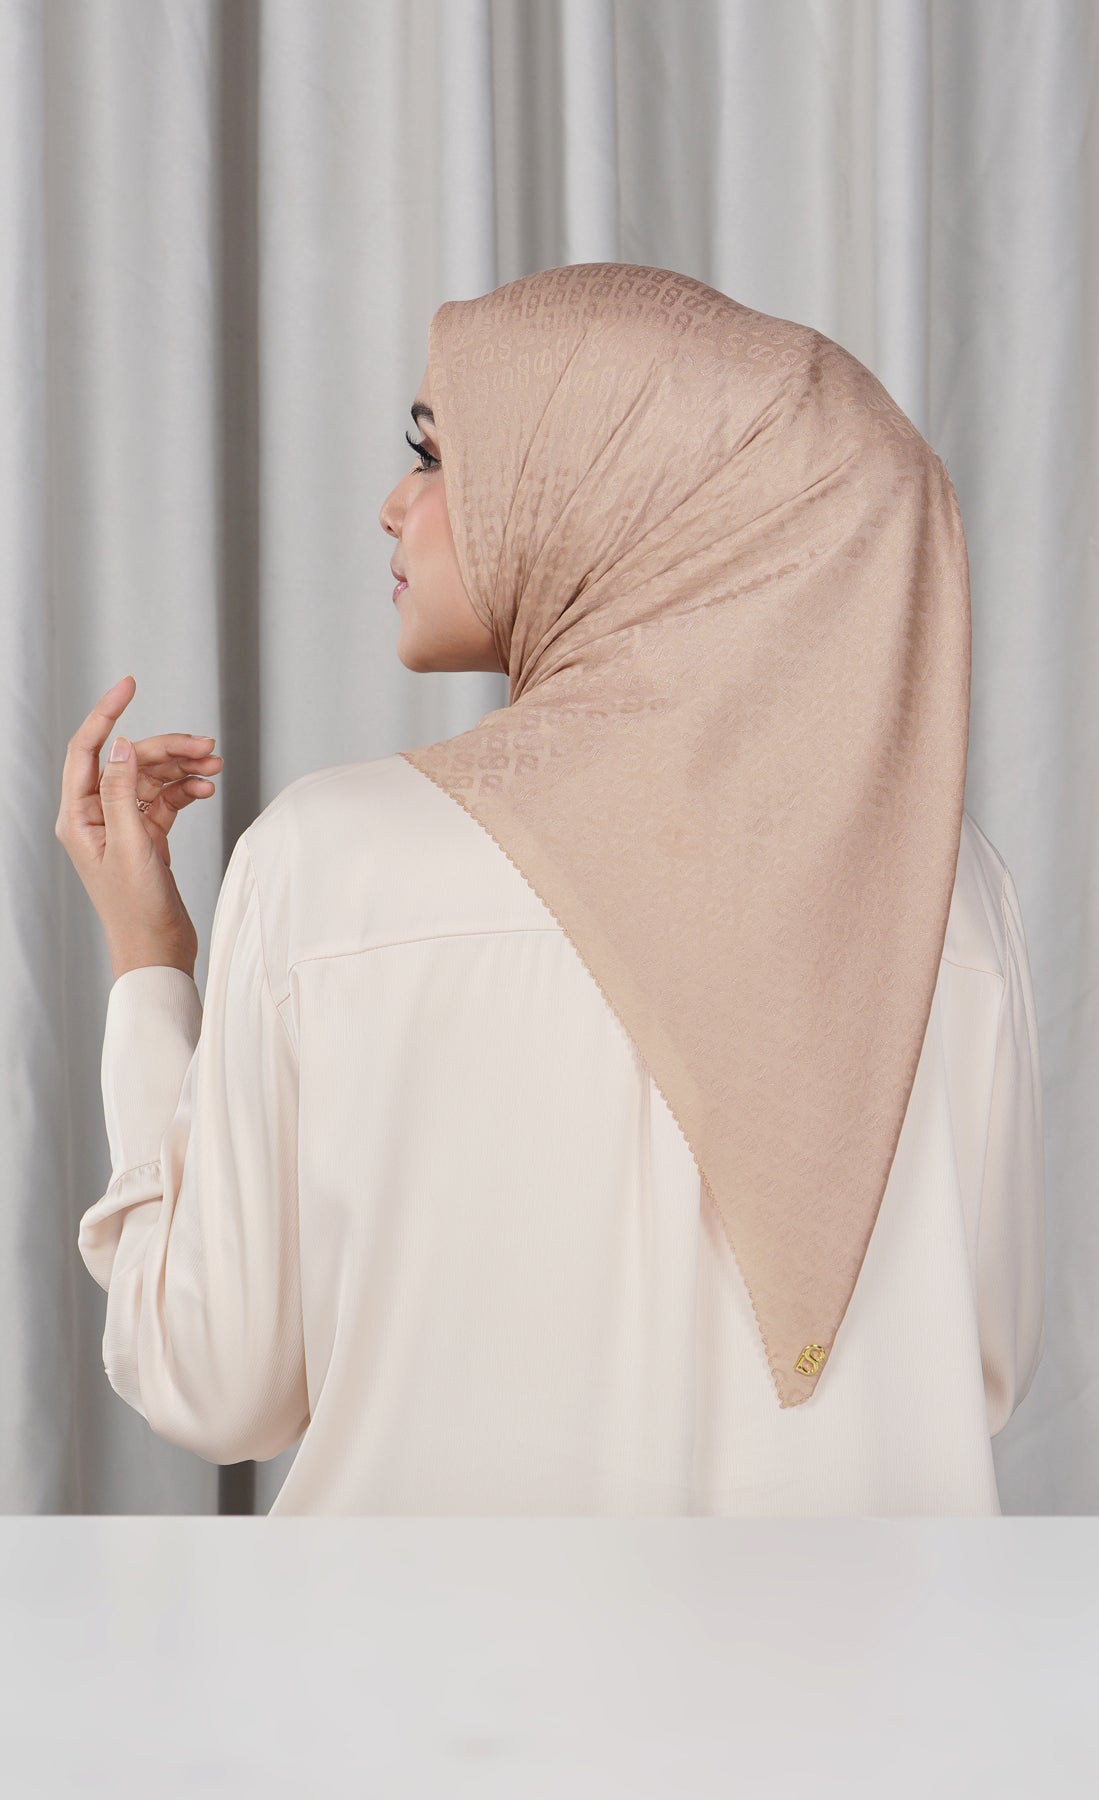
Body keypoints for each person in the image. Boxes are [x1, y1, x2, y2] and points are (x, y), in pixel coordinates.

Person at [73, 263, 1046, 1514]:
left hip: (418, 1648)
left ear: (608, 491)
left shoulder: (331, 864)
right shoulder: (952, 892)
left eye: (436, 456)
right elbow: (978, 1366)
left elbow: (212, 1381)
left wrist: (149, 964)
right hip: (860, 1647)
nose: (393, 504)